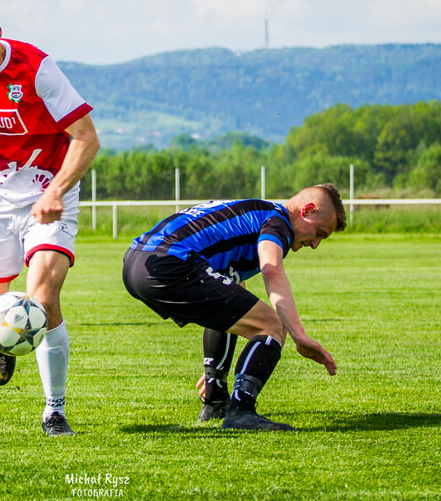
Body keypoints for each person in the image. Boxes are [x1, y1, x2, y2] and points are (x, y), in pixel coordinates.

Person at [0, 4, 100, 436]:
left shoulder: (37, 69)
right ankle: (1, 344)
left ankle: (54, 410)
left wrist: (55, 191)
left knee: (42, 298)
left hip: (46, 190)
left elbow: (87, 139)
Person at [122, 184, 346, 431]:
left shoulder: (253, 213)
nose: (315, 244)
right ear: (307, 210)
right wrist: (298, 335)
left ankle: (216, 399)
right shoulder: (277, 221)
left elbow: (232, 304)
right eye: (320, 233)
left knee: (238, 305)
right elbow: (271, 268)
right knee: (272, 325)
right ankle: (241, 412)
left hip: (137, 261)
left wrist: (214, 372)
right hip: (170, 263)